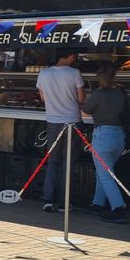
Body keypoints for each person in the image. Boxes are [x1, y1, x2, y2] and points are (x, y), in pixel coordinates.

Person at [36, 49, 85, 212]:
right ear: (71, 55)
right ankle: (65, 203)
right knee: (68, 163)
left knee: (53, 161)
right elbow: (81, 99)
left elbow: (43, 98)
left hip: (52, 121)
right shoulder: (75, 73)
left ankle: (48, 199)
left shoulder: (43, 73)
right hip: (72, 122)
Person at [82, 64, 129, 223]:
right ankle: (98, 203)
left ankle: (118, 208)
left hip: (103, 136)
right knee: (105, 171)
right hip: (118, 136)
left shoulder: (97, 94)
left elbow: (85, 111)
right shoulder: (120, 93)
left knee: (105, 174)